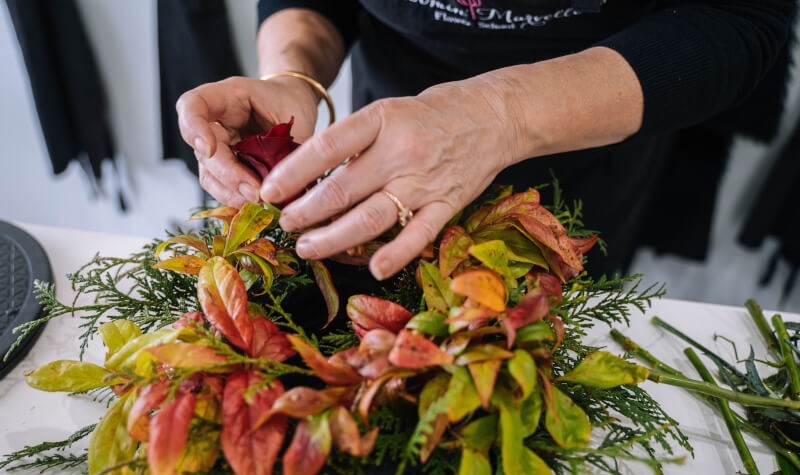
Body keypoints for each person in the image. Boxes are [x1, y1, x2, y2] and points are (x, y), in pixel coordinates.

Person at [176, 1, 795, 281]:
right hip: (388, 146)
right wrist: (293, 72)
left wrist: (497, 114)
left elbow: (740, 21)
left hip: (584, 149)